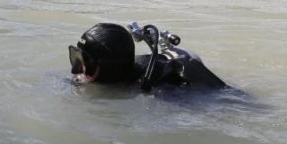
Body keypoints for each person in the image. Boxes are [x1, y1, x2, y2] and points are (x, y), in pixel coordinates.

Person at [68, 22, 227, 90]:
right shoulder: (123, 69)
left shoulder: (162, 88)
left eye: (85, 64)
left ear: (110, 70)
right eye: (76, 57)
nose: (76, 71)